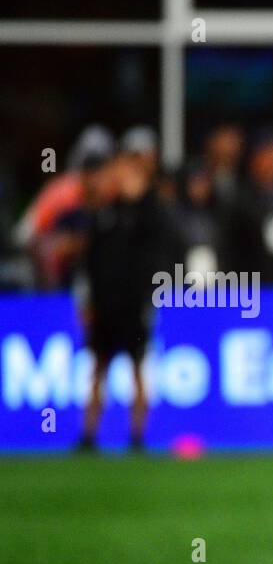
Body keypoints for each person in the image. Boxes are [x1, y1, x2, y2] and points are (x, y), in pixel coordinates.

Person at [76, 151, 170, 452]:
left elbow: (157, 232)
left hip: (132, 304)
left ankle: (137, 436)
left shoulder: (146, 213)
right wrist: (86, 301)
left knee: (138, 369)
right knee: (97, 370)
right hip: (104, 304)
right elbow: (88, 262)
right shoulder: (102, 215)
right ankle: (89, 436)